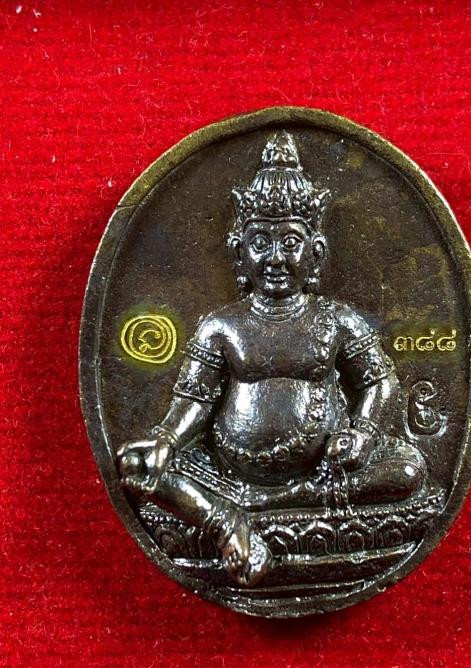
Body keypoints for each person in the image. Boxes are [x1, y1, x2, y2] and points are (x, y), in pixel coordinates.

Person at [117, 133, 426, 587]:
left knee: (408, 468)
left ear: (316, 252)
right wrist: (166, 439)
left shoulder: (336, 320)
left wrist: (362, 434)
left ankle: (259, 509)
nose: (276, 258)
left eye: (291, 242)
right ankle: (227, 521)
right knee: (140, 468)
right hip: (227, 473)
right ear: (238, 251)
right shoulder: (221, 326)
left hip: (325, 473)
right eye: (260, 242)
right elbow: (195, 402)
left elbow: (379, 382)